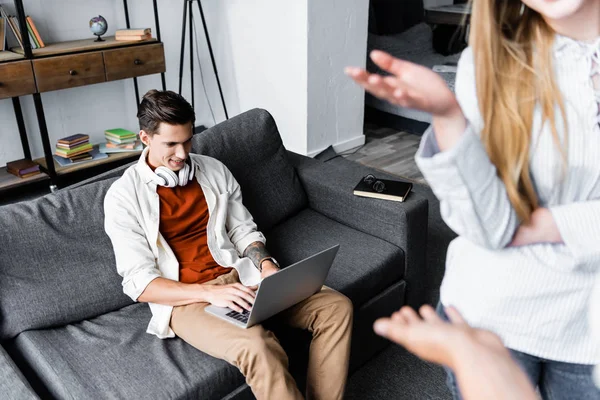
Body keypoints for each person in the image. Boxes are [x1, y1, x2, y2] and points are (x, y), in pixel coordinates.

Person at [346, 0, 600, 398]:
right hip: (490, 316)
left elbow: (517, 228)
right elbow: (491, 228)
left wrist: (551, 225)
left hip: (588, 332)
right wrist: (448, 117)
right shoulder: (485, 65)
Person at [104, 90, 353, 400]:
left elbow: (242, 230)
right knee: (258, 347)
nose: (182, 154)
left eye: (188, 140)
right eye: (170, 144)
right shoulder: (123, 197)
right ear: (145, 138)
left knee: (335, 307)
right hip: (189, 301)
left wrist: (266, 266)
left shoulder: (213, 170)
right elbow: (140, 283)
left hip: (242, 278)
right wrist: (210, 291)